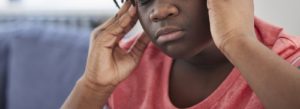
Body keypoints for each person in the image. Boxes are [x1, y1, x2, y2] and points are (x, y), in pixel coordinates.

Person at [61, 0, 300, 108]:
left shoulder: (286, 59)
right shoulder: (127, 69)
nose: (160, 11)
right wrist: (92, 87)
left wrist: (236, 41)